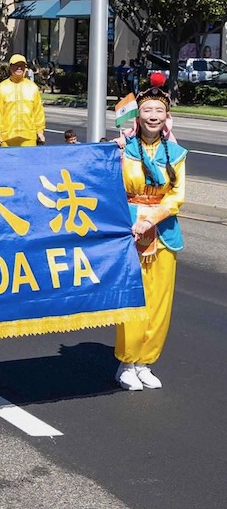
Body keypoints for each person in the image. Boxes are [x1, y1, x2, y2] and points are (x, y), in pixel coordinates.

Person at [114, 72, 186, 391]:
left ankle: (146, 361)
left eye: (159, 111)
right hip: (130, 231)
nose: (153, 116)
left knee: (159, 301)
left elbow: (176, 194)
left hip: (164, 233)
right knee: (133, 298)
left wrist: (152, 218)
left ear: (166, 117)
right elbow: (110, 186)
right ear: (138, 116)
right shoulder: (125, 149)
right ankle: (127, 361)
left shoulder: (178, 154)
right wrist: (115, 153)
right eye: (147, 111)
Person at [0, 54, 46, 147]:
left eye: (22, 65)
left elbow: (38, 112)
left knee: (27, 161)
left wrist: (40, 132)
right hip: (8, 136)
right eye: (16, 65)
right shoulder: (2, 87)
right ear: (10, 67)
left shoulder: (32, 87)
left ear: (25, 68)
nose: (19, 68)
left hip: (28, 136)